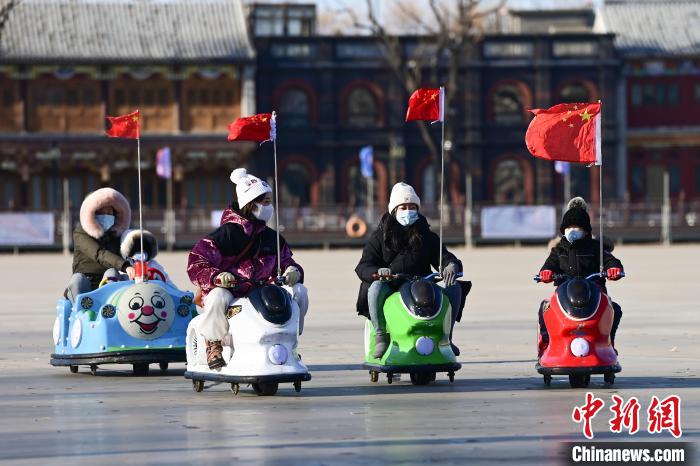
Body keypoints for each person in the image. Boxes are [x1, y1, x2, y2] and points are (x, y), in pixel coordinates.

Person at [187, 168, 308, 370]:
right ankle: (214, 344)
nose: (271, 207)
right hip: (232, 291)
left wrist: (293, 271)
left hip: (262, 289)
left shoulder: (272, 237)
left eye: (270, 202)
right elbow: (196, 263)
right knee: (217, 297)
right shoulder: (225, 235)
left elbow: (287, 261)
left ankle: (290, 341)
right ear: (251, 204)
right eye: (266, 202)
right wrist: (217, 277)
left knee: (300, 292)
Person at [355, 182, 466, 358]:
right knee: (375, 288)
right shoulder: (380, 236)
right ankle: (380, 336)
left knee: (455, 288)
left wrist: (451, 265)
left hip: (422, 284)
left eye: (412, 207)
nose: (408, 211)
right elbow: (363, 266)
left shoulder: (427, 236)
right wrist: (378, 272)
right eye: (403, 207)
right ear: (394, 210)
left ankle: (446, 338)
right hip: (391, 285)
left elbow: (444, 257)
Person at [538, 197, 624, 355]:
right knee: (544, 309)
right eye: (569, 226)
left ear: (585, 230)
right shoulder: (558, 250)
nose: (573, 230)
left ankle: (607, 343)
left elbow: (611, 260)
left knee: (615, 310)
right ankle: (547, 344)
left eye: (577, 227)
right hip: (564, 295)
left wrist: (614, 269)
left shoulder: (595, 248)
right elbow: (548, 265)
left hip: (594, 294)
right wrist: (546, 273)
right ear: (563, 229)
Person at [64, 188, 135, 303]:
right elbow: (99, 253)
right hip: (86, 282)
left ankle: (108, 307)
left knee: (112, 273)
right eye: (102, 212)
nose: (106, 216)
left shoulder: (118, 235)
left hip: (107, 284)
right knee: (78, 279)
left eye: (110, 213)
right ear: (93, 213)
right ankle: (80, 310)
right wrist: (125, 266)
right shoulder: (81, 233)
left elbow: (131, 248)